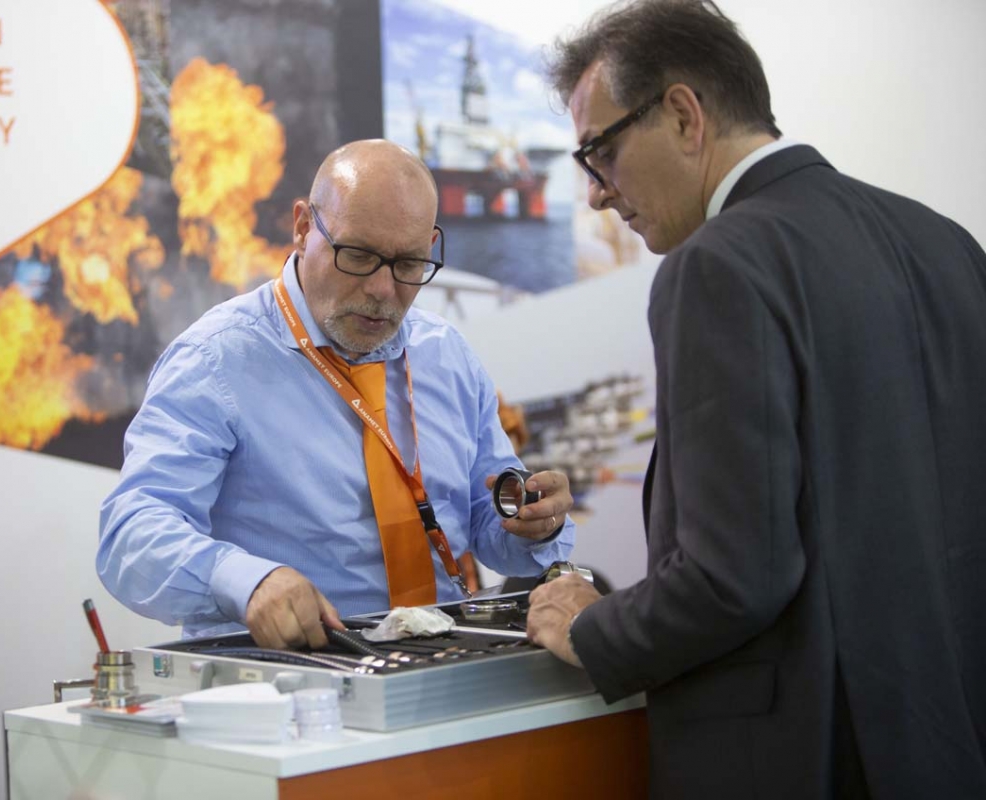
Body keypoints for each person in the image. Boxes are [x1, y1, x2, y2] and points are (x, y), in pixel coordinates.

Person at [525, 1, 986, 798]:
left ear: (683, 115)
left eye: (600, 152)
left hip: (807, 755)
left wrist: (593, 626)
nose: (596, 194)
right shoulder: (946, 242)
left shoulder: (718, 265)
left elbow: (735, 575)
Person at [99, 139, 575, 650]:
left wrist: (535, 522)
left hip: (441, 660)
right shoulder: (215, 360)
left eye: (409, 264)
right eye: (359, 256)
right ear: (304, 227)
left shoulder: (447, 356)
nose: (383, 289)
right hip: (292, 677)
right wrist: (247, 582)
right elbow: (131, 536)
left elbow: (490, 526)